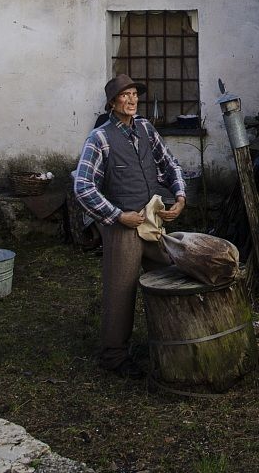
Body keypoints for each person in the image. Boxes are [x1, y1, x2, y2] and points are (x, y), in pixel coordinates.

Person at [72, 74, 186, 378]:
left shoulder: (147, 129)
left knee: (170, 274)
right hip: (123, 228)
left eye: (135, 94)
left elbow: (170, 163)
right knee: (120, 291)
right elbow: (83, 186)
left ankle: (172, 341)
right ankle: (113, 357)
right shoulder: (100, 138)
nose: (132, 100)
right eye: (125, 95)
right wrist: (117, 216)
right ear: (112, 102)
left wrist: (179, 195)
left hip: (151, 220)